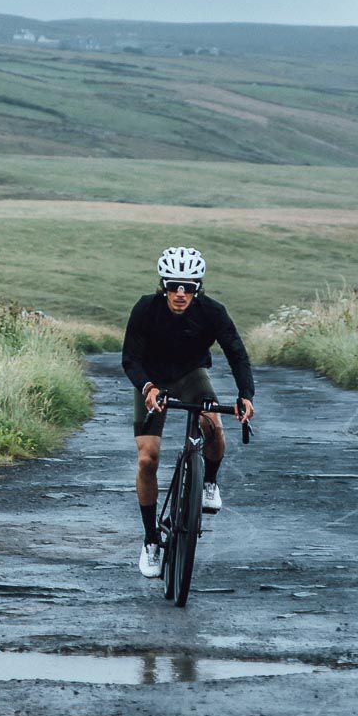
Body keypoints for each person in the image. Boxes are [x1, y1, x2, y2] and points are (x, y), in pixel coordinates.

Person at [123, 246, 255, 578]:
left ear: (198, 288)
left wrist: (245, 395)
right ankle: (151, 539)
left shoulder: (212, 312)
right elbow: (130, 359)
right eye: (173, 286)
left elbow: (237, 353)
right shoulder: (146, 309)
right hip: (152, 381)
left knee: (213, 426)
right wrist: (148, 388)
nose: (180, 294)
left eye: (189, 287)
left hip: (191, 375)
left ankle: (208, 483)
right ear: (163, 286)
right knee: (147, 458)